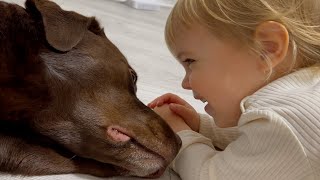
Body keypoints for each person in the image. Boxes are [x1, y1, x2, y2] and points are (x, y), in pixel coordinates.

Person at [147, 0, 320, 179]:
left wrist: (178, 135)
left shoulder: (283, 122)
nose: (185, 83)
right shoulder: (300, 100)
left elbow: (210, 176)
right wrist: (201, 126)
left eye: (190, 61)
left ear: (267, 48)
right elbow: (260, 141)